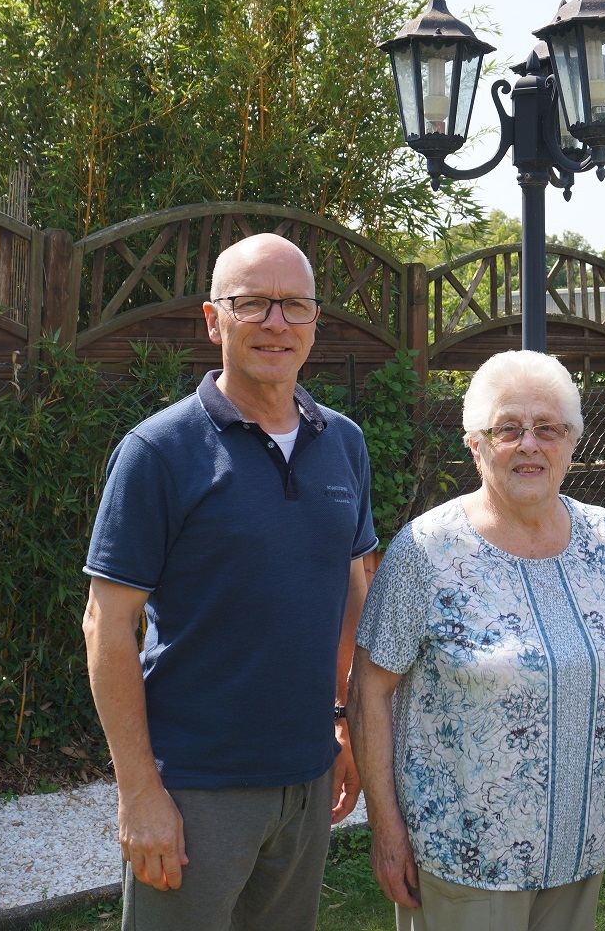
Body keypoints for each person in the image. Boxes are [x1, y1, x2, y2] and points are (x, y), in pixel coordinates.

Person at [82, 232, 376, 930]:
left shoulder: (344, 443)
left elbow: (352, 590)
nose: (276, 322)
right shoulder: (158, 450)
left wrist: (346, 725)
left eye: (294, 306)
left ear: (314, 323)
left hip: (307, 777)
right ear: (213, 320)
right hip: (194, 788)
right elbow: (107, 624)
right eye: (253, 304)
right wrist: (139, 792)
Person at [349, 350, 605, 931]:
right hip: (464, 859)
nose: (530, 444)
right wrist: (388, 830)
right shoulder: (426, 552)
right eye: (508, 429)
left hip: (580, 846)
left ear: (572, 442)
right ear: (476, 445)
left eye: (548, 428)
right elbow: (370, 691)